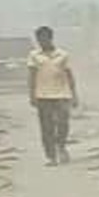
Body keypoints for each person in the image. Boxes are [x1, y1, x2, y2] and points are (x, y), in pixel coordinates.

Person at [27, 26, 79, 166]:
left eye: (44, 38)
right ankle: (51, 156)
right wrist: (32, 95)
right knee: (46, 127)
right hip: (43, 95)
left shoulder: (62, 55)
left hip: (62, 93)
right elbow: (32, 76)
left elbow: (69, 75)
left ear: (50, 38)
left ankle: (61, 146)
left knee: (63, 124)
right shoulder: (34, 56)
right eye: (39, 39)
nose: (42, 42)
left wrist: (74, 95)